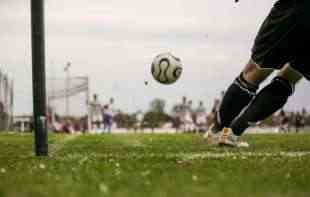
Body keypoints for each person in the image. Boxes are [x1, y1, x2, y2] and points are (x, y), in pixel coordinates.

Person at [206, 0, 310, 147]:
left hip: (296, 9)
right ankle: (232, 134)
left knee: (254, 71)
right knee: (290, 77)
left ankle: (217, 131)